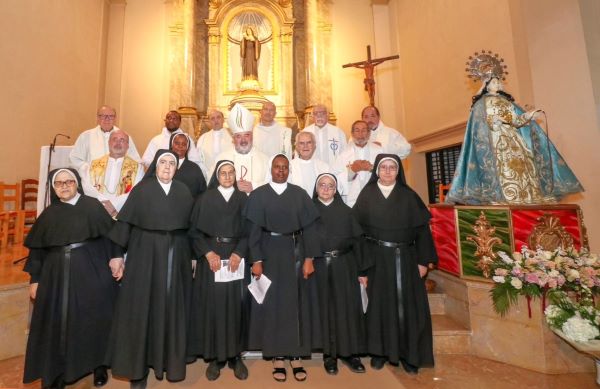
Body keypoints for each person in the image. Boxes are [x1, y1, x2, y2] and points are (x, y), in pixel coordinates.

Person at [106, 150, 194, 389]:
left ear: (177, 169)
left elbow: (191, 228)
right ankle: (139, 371)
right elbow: (124, 223)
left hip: (177, 255)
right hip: (144, 253)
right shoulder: (142, 190)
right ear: (155, 166)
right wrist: (116, 256)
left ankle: (168, 362)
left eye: (171, 164)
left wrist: (194, 256)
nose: (167, 167)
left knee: (171, 309)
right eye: (163, 162)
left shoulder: (184, 191)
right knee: (142, 310)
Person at [23, 168, 118, 389]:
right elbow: (37, 250)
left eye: (69, 181)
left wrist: (115, 258)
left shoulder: (92, 206)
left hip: (90, 267)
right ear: (54, 188)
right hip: (55, 274)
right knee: (58, 322)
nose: (64, 186)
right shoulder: (48, 214)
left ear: (77, 183)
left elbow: (111, 235)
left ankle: (99, 365)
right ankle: (57, 370)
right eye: (59, 183)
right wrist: (35, 279)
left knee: (95, 318)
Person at [353, 154, 437, 374]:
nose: (388, 171)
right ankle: (379, 352)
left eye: (392, 167)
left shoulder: (409, 196)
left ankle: (409, 355)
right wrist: (361, 268)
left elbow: (422, 231)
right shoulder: (366, 195)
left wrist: (423, 261)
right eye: (384, 168)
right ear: (377, 171)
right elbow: (358, 235)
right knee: (379, 306)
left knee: (408, 308)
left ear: (398, 171)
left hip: (406, 259)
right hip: (376, 259)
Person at [446, 76, 583, 204]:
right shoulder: (481, 104)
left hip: (514, 138)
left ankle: (529, 198)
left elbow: (516, 121)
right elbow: (479, 124)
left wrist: (529, 115)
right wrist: (494, 121)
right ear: (486, 85)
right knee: (503, 166)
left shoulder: (508, 102)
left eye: (498, 82)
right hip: (495, 139)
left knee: (526, 162)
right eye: (494, 82)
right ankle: (505, 198)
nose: (497, 84)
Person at [245, 154, 321, 382]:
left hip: (295, 253)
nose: (280, 171)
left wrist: (309, 258)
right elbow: (253, 232)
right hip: (268, 254)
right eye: (277, 167)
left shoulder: (299, 194)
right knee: (273, 305)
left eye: (284, 167)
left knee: (295, 304)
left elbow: (310, 229)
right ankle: (277, 356)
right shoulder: (259, 195)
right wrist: (256, 259)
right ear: (271, 169)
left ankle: (296, 356)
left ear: (289, 170)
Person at [188, 160, 249, 381]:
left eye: (231, 172)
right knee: (212, 307)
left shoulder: (243, 199)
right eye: (223, 173)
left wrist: (239, 253)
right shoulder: (205, 198)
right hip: (212, 260)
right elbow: (194, 232)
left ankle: (235, 357)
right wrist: (207, 253)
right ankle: (215, 358)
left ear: (235, 174)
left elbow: (250, 231)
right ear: (216, 175)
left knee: (236, 307)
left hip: (235, 259)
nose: (227, 176)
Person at [312, 173, 369, 375]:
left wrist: (362, 270)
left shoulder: (347, 212)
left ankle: (350, 353)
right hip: (318, 267)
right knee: (325, 310)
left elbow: (358, 243)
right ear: (316, 188)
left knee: (347, 309)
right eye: (322, 185)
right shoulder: (309, 212)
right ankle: (330, 355)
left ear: (336, 190)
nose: (326, 189)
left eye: (330, 186)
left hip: (345, 265)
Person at [80, 129, 145, 217]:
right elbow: (87, 186)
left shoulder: (137, 168)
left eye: (122, 140)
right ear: (109, 143)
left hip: (122, 213)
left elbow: (137, 191)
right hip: (96, 211)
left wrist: (114, 205)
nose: (118, 143)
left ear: (127, 146)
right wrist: (104, 204)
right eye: (114, 139)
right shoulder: (93, 164)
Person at [213, 103, 269, 194]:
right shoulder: (222, 158)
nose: (243, 140)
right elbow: (212, 185)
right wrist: (232, 186)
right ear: (233, 139)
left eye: (246, 135)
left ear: (252, 136)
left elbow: (272, 184)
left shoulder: (265, 159)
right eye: (238, 136)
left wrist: (255, 186)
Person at [70, 105, 141, 170]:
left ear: (115, 118)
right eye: (103, 116)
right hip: (93, 178)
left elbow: (135, 159)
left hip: (118, 177)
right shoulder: (86, 136)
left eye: (111, 116)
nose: (107, 119)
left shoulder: (124, 136)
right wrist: (89, 169)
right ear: (97, 118)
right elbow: (75, 158)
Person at [142, 110, 206, 176]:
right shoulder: (156, 140)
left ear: (180, 122)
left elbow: (194, 161)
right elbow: (147, 162)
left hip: (183, 176)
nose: (171, 120)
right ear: (165, 120)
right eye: (168, 118)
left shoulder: (187, 139)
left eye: (174, 118)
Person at [334, 120, 383, 206]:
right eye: (357, 130)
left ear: (369, 133)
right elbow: (335, 178)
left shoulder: (379, 151)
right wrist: (352, 171)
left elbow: (388, 173)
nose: (360, 134)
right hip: (351, 201)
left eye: (364, 130)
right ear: (352, 134)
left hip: (375, 198)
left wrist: (372, 168)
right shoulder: (343, 154)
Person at [288, 131, 331, 195]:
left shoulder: (324, 167)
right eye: (301, 143)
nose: (305, 146)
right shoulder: (289, 167)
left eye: (309, 142)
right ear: (296, 147)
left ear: (314, 146)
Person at [169, 132, 207, 198]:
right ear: (171, 145)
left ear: (187, 148)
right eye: (177, 143)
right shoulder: (163, 165)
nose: (180, 146)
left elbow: (202, 192)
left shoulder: (195, 168)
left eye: (184, 144)